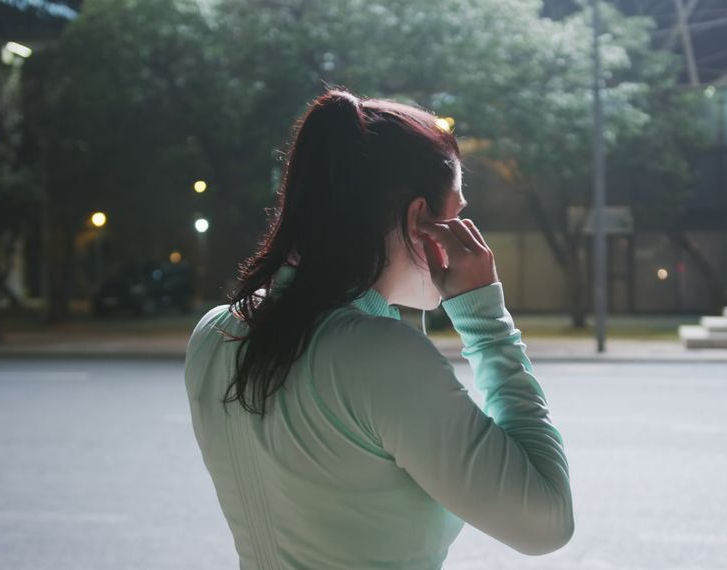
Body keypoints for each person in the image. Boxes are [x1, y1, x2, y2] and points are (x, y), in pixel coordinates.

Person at [184, 88, 573, 569]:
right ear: (419, 220)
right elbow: (547, 523)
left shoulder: (216, 333)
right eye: (457, 213)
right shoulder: (381, 355)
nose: (468, 232)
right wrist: (486, 320)